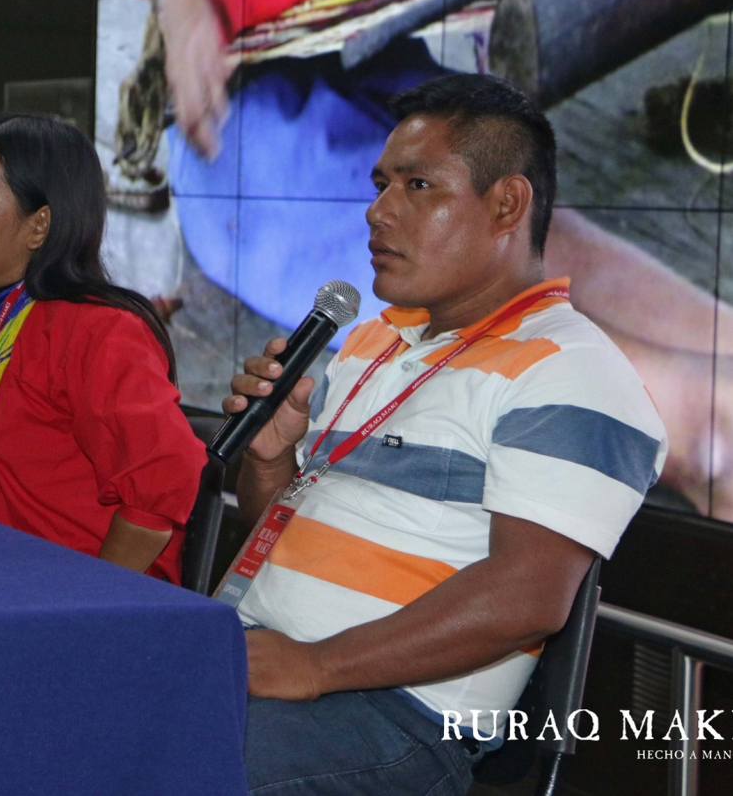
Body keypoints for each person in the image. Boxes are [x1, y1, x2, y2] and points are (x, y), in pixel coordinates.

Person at [108, 0, 731, 514]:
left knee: (512, 232)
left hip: (361, 57)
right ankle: (699, 429)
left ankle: (711, 397)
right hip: (235, 115)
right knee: (459, 277)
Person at [223, 75, 666, 794]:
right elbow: (277, 522)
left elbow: (525, 597)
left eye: (417, 186)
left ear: (505, 204)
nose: (377, 211)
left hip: (393, 715)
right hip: (260, 659)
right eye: (379, 184)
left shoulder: (572, 371)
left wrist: (313, 666)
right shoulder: (368, 342)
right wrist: (269, 459)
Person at [0, 114, 205, 582]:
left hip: (55, 603)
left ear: (39, 225)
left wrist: (87, 606)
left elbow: (161, 484)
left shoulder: (99, 333)